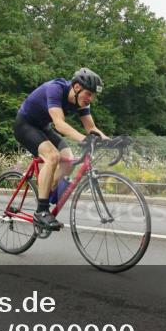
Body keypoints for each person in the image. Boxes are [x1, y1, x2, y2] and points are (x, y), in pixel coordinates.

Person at [14, 68, 108, 230]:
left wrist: (110, 142)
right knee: (52, 157)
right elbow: (59, 124)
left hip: (43, 127)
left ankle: (46, 190)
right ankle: (41, 211)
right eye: (88, 93)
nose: (90, 98)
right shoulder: (55, 89)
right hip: (25, 125)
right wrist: (84, 140)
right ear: (77, 87)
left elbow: (91, 127)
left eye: (93, 95)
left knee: (68, 159)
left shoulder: (82, 100)